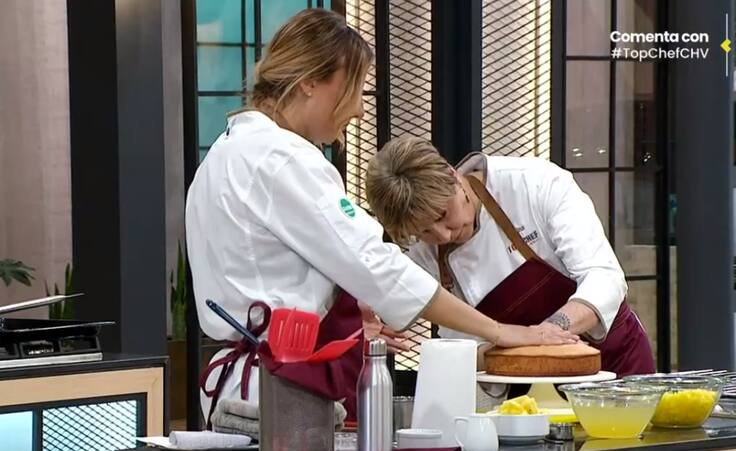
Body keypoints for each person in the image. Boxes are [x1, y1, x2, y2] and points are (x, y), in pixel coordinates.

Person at [185, 9, 578, 425]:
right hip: (280, 391)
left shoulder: (223, 154)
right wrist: (500, 332)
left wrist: (354, 308)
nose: (356, 109)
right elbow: (378, 266)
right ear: (310, 83)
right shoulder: (283, 160)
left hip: (243, 389)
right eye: (352, 88)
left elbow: (279, 273)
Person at [365, 135, 656, 381]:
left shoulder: (534, 183)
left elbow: (603, 277)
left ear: (452, 176)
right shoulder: (425, 258)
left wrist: (550, 330)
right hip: (527, 396)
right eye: (424, 231)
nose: (442, 235)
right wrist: (515, 341)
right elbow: (463, 348)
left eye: (443, 215)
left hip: (616, 367)